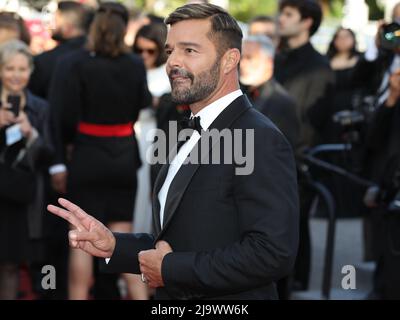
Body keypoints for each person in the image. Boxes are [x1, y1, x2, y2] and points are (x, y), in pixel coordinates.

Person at [48, 3, 299, 300]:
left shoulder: (259, 137)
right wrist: (115, 245)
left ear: (230, 60)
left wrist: (170, 270)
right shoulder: (188, 129)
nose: (173, 63)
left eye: (189, 51)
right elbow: (183, 238)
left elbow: (272, 254)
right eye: (170, 51)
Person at [50, 2, 150, 300]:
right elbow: (141, 103)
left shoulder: (75, 62)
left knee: (80, 238)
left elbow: (63, 115)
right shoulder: (134, 63)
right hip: (122, 158)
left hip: (86, 156)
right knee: (124, 240)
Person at [274, 0, 335, 292]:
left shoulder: (318, 66)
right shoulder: (277, 57)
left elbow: (310, 122)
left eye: (288, 14)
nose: (280, 19)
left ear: (307, 21)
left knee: (292, 231)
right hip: (271, 156)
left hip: (296, 163)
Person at [0, 40, 52, 300]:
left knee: (14, 264)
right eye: (10, 68)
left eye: (22, 69)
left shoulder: (40, 107)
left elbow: (47, 154)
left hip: (25, 197)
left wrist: (30, 134)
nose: (16, 75)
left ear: (31, 71)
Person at [240, 34, 299, 151]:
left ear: (268, 62)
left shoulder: (282, 103)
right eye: (241, 58)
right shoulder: (238, 91)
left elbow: (282, 153)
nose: (242, 64)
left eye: (249, 58)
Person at [28, 1, 92, 99]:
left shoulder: (45, 60)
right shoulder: (97, 54)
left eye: (55, 20)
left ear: (67, 27)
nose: (51, 25)